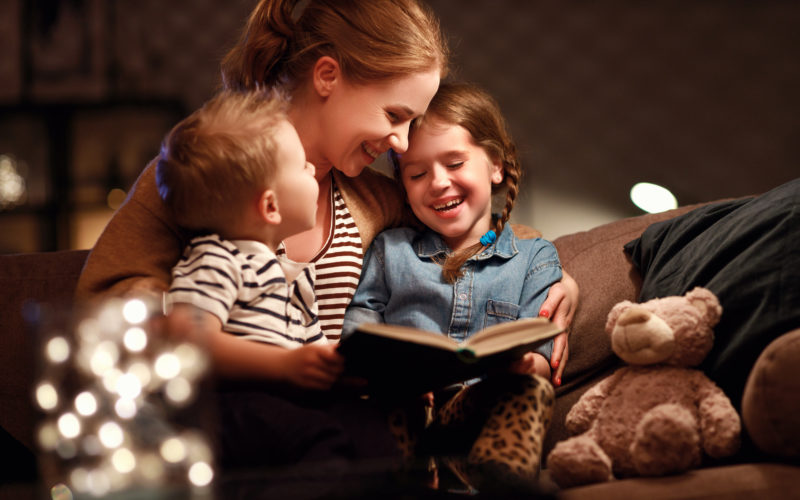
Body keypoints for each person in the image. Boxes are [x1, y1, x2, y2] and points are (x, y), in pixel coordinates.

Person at [74, 0, 577, 477]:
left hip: (335, 418)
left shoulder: (372, 195)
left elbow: (469, 224)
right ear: (328, 76)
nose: (400, 144)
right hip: (231, 417)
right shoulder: (214, 160)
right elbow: (107, 294)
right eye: (394, 115)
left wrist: (555, 272)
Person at [342, 81, 561, 489]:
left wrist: (524, 364)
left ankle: (502, 482)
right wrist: (381, 370)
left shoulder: (536, 256)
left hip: (476, 411)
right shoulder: (391, 250)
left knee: (529, 388)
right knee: (388, 400)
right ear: (403, 186)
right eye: (418, 173)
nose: (439, 182)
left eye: (455, 163)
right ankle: (406, 477)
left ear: (496, 165)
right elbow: (359, 319)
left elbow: (542, 348)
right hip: (408, 407)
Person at [157, 88, 345, 390]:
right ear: (270, 206)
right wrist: (284, 365)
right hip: (242, 405)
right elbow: (186, 336)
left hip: (295, 408)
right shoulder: (218, 259)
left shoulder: (295, 279)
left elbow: (321, 362)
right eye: (301, 165)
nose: (312, 168)